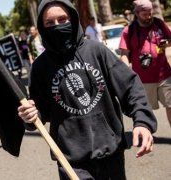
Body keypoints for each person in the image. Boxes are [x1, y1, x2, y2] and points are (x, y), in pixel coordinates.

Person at [17, 0, 157, 179]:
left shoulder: (97, 51)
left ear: (73, 19)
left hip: (110, 153)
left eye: (62, 19)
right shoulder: (40, 67)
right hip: (71, 161)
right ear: (42, 27)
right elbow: (40, 111)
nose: (58, 26)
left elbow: (130, 87)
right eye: (50, 23)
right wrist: (29, 116)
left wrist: (143, 122)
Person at [119, 0, 171, 128]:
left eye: (150, 13)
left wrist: (167, 43)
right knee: (144, 111)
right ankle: (147, 135)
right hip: (143, 80)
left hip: (164, 75)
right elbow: (124, 53)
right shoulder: (129, 31)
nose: (148, 17)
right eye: (144, 14)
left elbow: (170, 40)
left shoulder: (159, 24)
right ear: (136, 13)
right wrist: (127, 72)